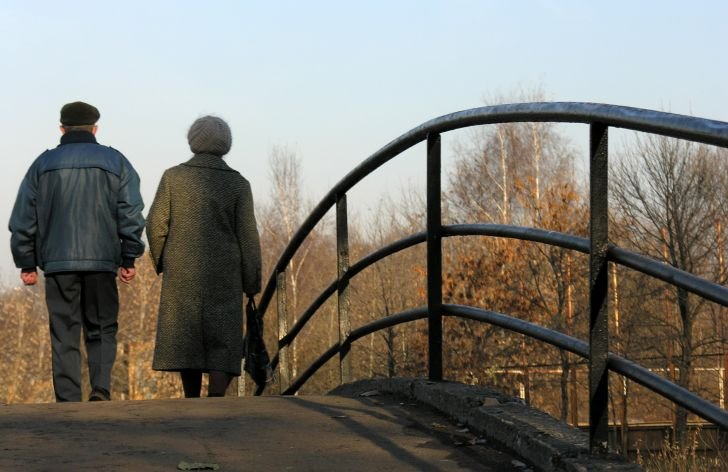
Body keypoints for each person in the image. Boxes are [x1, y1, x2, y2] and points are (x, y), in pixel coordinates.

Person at [9, 101, 145, 402]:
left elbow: (23, 219)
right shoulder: (116, 161)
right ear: (95, 128)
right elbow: (131, 212)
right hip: (102, 261)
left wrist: (27, 263)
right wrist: (129, 256)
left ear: (62, 129)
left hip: (58, 264)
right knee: (102, 327)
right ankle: (101, 390)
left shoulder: (42, 164)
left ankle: (68, 400)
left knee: (64, 332)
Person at [146, 115, 261, 398]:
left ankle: (191, 400)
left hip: (182, 270)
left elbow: (155, 224)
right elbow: (248, 237)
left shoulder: (172, 177)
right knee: (222, 338)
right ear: (226, 144)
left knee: (187, 336)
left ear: (193, 140)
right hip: (225, 273)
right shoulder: (238, 184)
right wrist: (251, 281)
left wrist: (163, 261)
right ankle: (217, 399)